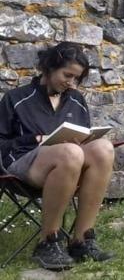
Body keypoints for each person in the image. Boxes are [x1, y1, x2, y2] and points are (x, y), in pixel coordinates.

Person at [0, 42, 115, 269]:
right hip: (23, 165)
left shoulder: (76, 101)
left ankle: (82, 239)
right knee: (70, 152)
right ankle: (48, 241)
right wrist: (35, 140)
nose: (71, 83)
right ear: (49, 67)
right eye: (67, 75)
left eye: (76, 79)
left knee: (104, 148)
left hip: (68, 166)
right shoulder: (16, 98)